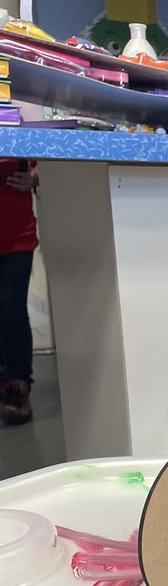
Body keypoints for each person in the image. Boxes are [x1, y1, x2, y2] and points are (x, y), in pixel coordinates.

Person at [0, 158, 39, 426]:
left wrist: (36, 178)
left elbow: (50, 160)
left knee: (11, 309)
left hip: (16, 235)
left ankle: (18, 384)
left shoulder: (17, 115)